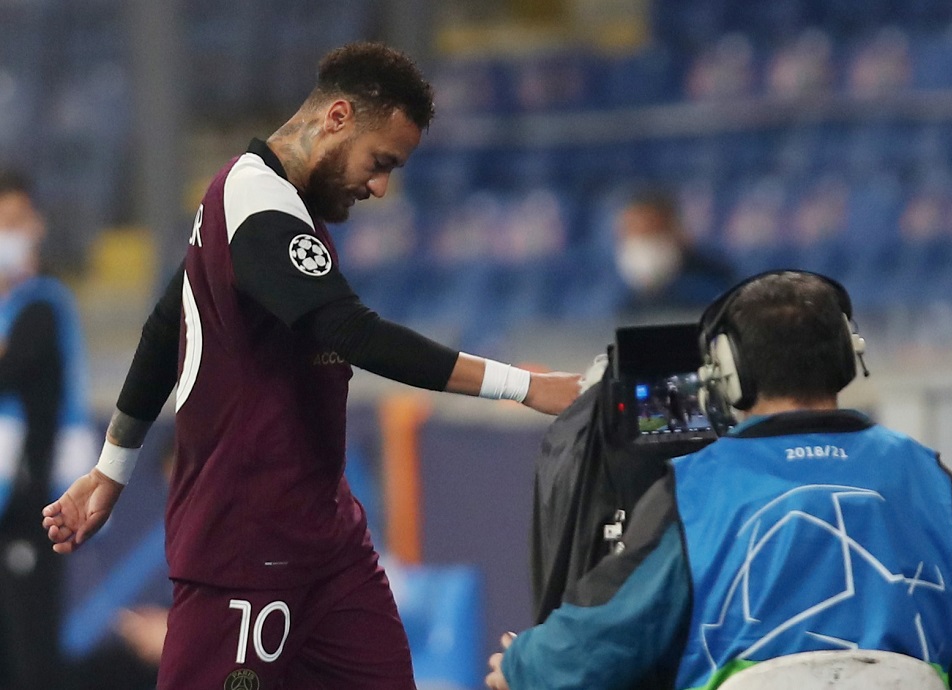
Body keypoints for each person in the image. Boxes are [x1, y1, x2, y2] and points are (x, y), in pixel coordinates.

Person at [42, 42, 581, 690]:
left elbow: (166, 323)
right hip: (243, 546)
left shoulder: (278, 210)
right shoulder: (253, 203)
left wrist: (112, 468)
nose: (380, 188)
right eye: (379, 163)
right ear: (337, 118)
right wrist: (525, 386)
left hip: (327, 548)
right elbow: (350, 331)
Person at [487, 270, 952, 690]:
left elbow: (603, 644)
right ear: (849, 353)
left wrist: (523, 665)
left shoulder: (694, 490)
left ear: (727, 371)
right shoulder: (930, 476)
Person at [0, 170, 95, 689]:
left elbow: (13, 371)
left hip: (37, 503)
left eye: (14, 221)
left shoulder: (43, 304)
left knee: (33, 662)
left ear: (35, 225)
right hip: (10, 506)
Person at [612, 188, 734, 321]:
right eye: (634, 234)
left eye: (652, 233)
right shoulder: (617, 299)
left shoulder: (716, 285)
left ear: (677, 231)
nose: (641, 244)